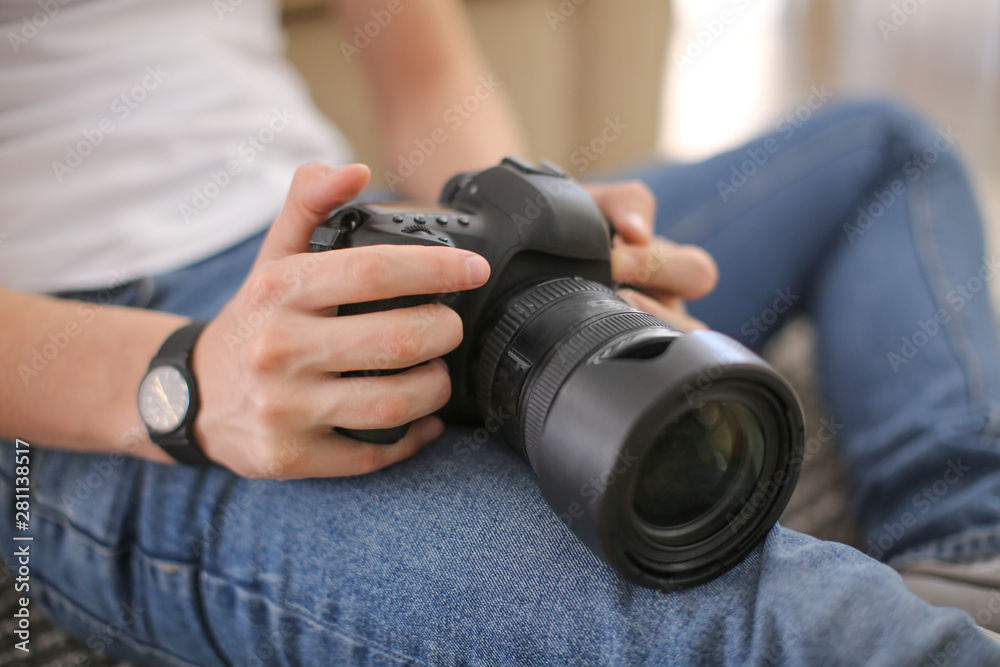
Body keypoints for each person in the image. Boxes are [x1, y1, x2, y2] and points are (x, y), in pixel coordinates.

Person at [1, 0, 999, 664]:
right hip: (97, 360)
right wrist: (187, 382)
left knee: (879, 151)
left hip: (371, 236)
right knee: (777, 619)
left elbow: (426, 72)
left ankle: (969, 552)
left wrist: (541, 250)